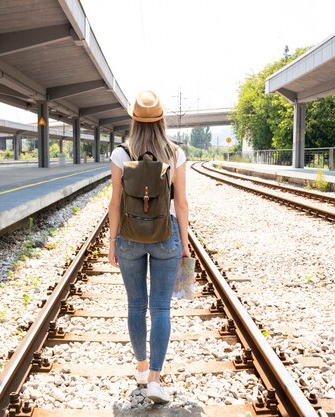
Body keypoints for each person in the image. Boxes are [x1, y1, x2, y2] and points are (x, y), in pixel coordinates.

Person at [108, 90, 189, 403]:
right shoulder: (175, 153)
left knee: (135, 305)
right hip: (165, 235)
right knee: (160, 307)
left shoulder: (120, 154)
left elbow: (115, 203)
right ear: (161, 119)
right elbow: (180, 203)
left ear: (133, 120)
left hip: (129, 236)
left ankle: (141, 367)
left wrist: (112, 240)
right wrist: (184, 242)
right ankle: (155, 378)